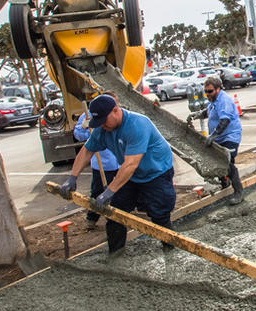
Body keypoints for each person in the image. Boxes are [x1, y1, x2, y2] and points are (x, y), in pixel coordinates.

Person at [59, 94, 176, 253]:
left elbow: (131, 164)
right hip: (131, 175)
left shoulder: (137, 124)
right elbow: (87, 151)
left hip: (156, 173)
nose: (101, 126)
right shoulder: (103, 129)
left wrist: (109, 191)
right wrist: (72, 178)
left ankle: (171, 250)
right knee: (114, 213)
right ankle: (115, 253)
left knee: (159, 214)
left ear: (115, 110)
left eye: (103, 121)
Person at [186, 76, 244, 205]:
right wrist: (199, 114)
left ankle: (238, 192)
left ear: (218, 89)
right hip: (220, 137)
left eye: (210, 91)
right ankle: (225, 182)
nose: (207, 94)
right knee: (216, 160)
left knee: (227, 163)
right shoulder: (214, 99)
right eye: (206, 91)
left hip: (230, 137)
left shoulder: (224, 100)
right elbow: (210, 111)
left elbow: (224, 121)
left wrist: (212, 136)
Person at [73, 109, 120, 231]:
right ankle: (92, 218)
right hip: (102, 163)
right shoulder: (88, 115)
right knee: (98, 192)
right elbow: (79, 135)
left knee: (125, 188)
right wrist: (85, 127)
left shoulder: (117, 114)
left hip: (120, 161)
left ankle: (125, 212)